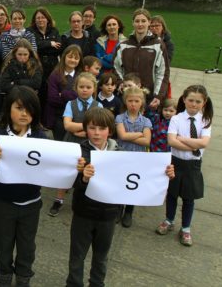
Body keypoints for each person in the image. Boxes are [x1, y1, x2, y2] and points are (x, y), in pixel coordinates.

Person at [66, 107, 175, 287]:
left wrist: (165, 173)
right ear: (86, 129)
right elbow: (68, 181)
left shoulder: (120, 153)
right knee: (77, 256)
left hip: (109, 215)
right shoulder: (77, 153)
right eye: (92, 128)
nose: (97, 133)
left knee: (101, 257)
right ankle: (73, 284)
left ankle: (97, 284)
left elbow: (142, 174)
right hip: (83, 213)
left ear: (110, 130)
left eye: (102, 128)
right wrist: (84, 178)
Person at [0, 85, 46, 287]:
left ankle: (23, 277)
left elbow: (49, 165)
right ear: (8, 108)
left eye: (30, 109)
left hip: (31, 203)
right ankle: (4, 274)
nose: (24, 114)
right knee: (2, 243)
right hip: (4, 201)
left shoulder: (40, 136)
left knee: (27, 245)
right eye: (19, 108)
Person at [156, 85, 213, 246]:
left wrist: (183, 139)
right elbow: (171, 141)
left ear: (204, 102)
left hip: (193, 165)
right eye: (190, 100)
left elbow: (204, 142)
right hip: (176, 162)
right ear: (184, 100)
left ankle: (186, 228)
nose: (193, 104)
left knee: (189, 197)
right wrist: (194, 145)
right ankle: (169, 220)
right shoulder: (176, 118)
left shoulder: (205, 120)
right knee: (172, 194)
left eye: (197, 101)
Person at [50, 72, 101, 217]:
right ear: (76, 88)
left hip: (91, 145)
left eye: (88, 87)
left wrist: (84, 131)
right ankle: (58, 200)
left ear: (94, 88)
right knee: (66, 171)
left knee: (88, 172)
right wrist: (87, 127)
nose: (84, 89)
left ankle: (85, 201)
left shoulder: (99, 105)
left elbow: (99, 126)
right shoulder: (70, 104)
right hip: (71, 143)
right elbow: (67, 125)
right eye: (81, 86)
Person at [113, 8, 170, 110]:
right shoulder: (123, 45)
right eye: (137, 21)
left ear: (149, 22)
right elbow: (116, 68)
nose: (140, 24)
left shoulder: (158, 45)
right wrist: (121, 84)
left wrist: (158, 95)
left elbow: (162, 72)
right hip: (127, 97)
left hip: (148, 98)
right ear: (133, 23)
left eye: (143, 21)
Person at [115, 86, 152, 228]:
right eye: (130, 101)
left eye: (136, 101)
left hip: (138, 157)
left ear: (141, 102)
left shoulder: (146, 121)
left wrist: (130, 136)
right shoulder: (119, 118)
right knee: (120, 182)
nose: (133, 104)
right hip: (122, 155)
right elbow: (122, 135)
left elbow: (147, 141)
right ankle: (118, 209)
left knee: (133, 184)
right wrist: (139, 134)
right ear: (125, 101)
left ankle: (129, 212)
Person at [44, 44, 82, 141]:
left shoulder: (80, 77)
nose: (73, 60)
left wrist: (63, 94)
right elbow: (53, 98)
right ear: (64, 57)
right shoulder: (55, 75)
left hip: (76, 117)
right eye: (70, 57)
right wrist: (72, 95)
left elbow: (81, 97)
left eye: (76, 58)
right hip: (58, 117)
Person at [28, 7, 61, 76]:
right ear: (35, 20)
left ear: (48, 19)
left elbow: (58, 49)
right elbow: (31, 47)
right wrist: (49, 44)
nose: (40, 20)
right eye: (38, 18)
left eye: (43, 17)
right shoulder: (29, 31)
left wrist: (40, 49)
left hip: (53, 68)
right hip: (35, 67)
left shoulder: (54, 31)